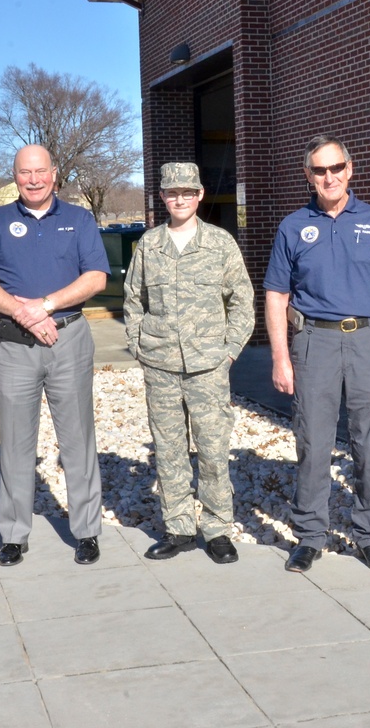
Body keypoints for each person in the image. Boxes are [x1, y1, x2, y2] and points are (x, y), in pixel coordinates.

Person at [263, 135, 370, 573]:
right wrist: (279, 357)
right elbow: (276, 295)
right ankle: (310, 535)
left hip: (368, 340)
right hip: (314, 342)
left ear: (350, 169)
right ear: (308, 175)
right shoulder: (294, 226)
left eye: (336, 168)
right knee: (313, 440)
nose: (328, 177)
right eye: (319, 170)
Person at [0, 144, 109, 567]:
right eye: (24, 172)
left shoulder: (79, 219)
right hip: (13, 343)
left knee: (78, 439)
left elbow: (96, 277)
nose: (33, 179)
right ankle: (13, 535)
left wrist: (45, 306)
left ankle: (86, 532)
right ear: (15, 176)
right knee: (15, 441)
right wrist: (23, 313)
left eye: (40, 171)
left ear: (54, 174)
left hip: (68, 337)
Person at [124, 162, 254, 564]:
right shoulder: (149, 245)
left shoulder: (220, 244)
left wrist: (229, 350)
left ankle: (217, 529)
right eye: (171, 193)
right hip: (161, 366)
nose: (179, 199)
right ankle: (178, 526)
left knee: (214, 451)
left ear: (199, 195)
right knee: (169, 450)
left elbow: (242, 302)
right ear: (161, 198)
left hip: (208, 367)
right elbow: (133, 300)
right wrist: (140, 347)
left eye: (187, 192)